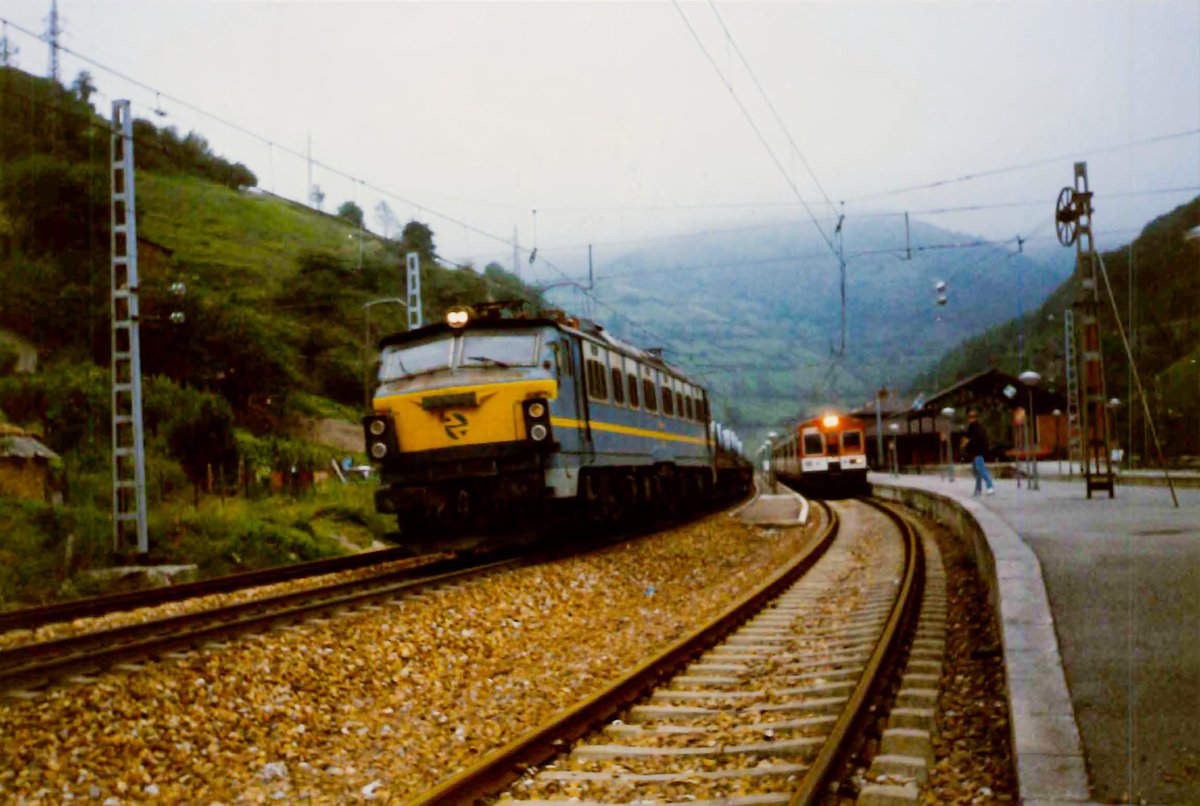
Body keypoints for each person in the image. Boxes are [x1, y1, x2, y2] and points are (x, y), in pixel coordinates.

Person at [964, 409, 995, 496]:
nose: (971, 419)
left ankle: (990, 486)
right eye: (970, 417)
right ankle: (978, 489)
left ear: (976, 418)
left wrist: (970, 443)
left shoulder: (978, 427)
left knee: (980, 469)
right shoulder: (971, 427)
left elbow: (979, 440)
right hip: (973, 452)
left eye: (973, 417)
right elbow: (968, 438)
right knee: (975, 470)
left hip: (978, 451)